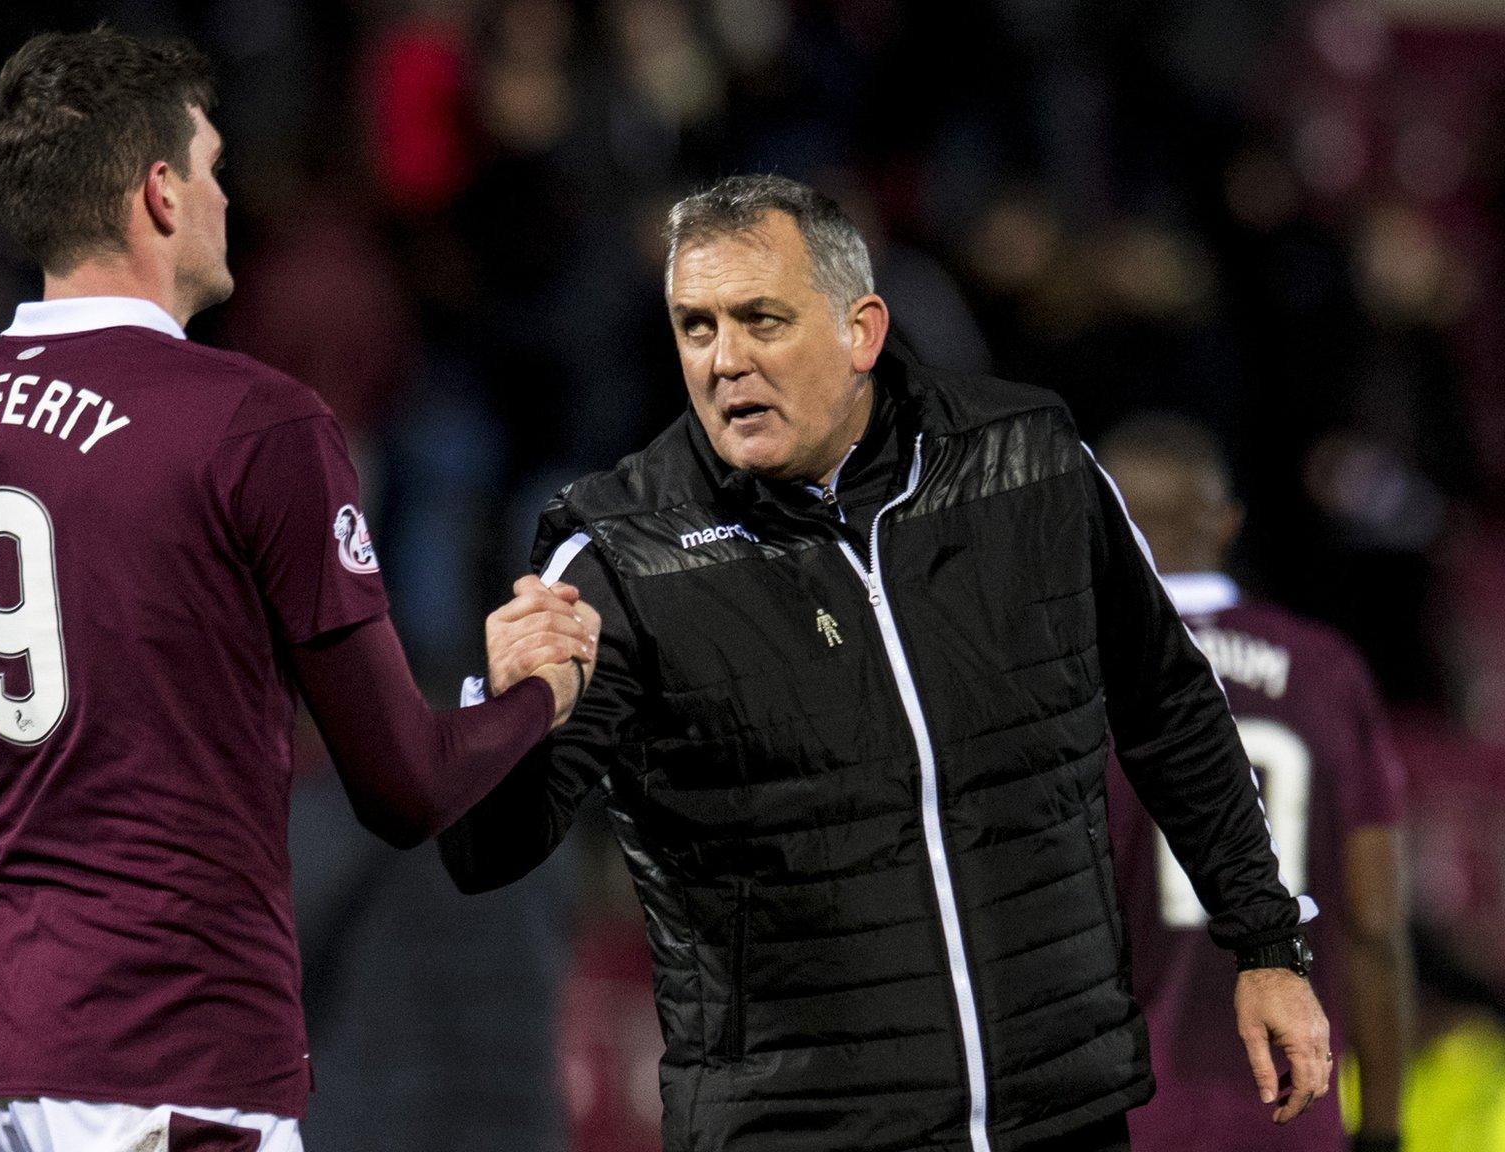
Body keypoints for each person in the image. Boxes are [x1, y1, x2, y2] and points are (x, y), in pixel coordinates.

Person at [0, 30, 598, 1152]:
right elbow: (403, 788)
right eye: (208, 167)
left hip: (10, 1081)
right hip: (185, 1070)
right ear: (159, 192)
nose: (224, 196)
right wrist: (537, 695)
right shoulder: (256, 424)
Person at [437, 174, 1333, 1151]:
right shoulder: (622, 556)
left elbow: (1169, 709)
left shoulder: (1028, 465)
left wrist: (1264, 945)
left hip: (1057, 1111)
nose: (723, 360)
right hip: (801, 1132)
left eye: (760, 320)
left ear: (859, 331)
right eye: (695, 328)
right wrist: (502, 707)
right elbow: (486, 850)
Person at [1098, 414, 1411, 1152]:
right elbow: (1376, 921)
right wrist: (1385, 1130)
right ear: (1226, 521)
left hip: (1125, 1121)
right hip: (1296, 1117)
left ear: (1098, 523)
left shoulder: (1077, 675)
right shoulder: (1327, 670)